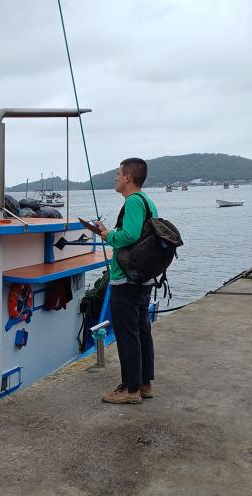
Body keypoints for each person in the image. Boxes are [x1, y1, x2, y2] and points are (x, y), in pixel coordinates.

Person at [93, 158, 158, 404]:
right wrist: (110, 231)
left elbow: (129, 235)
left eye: (118, 174)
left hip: (127, 279)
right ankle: (144, 383)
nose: (116, 178)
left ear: (128, 177)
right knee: (142, 331)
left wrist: (108, 234)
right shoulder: (147, 201)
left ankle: (130, 390)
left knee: (127, 334)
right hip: (144, 276)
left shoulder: (132, 201)